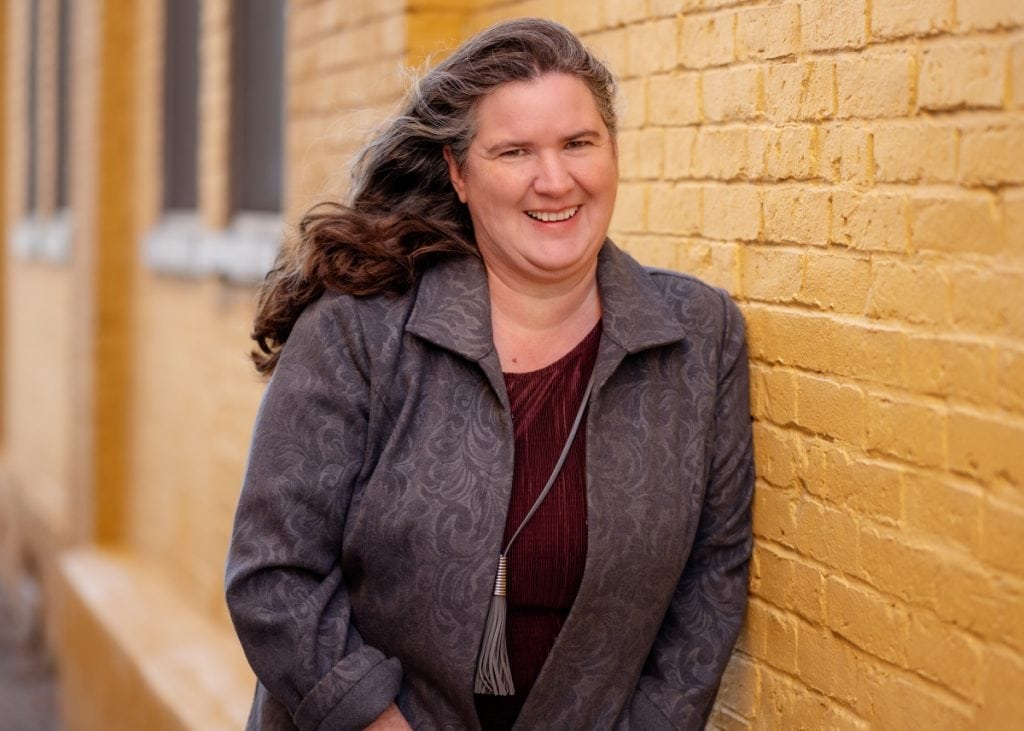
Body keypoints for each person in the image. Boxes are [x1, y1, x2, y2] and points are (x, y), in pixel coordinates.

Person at [225, 17, 754, 731]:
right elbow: (273, 573)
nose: (555, 179)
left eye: (578, 143)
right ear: (459, 172)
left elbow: (710, 584)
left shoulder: (699, 336)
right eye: (514, 151)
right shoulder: (361, 327)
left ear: (614, 152)